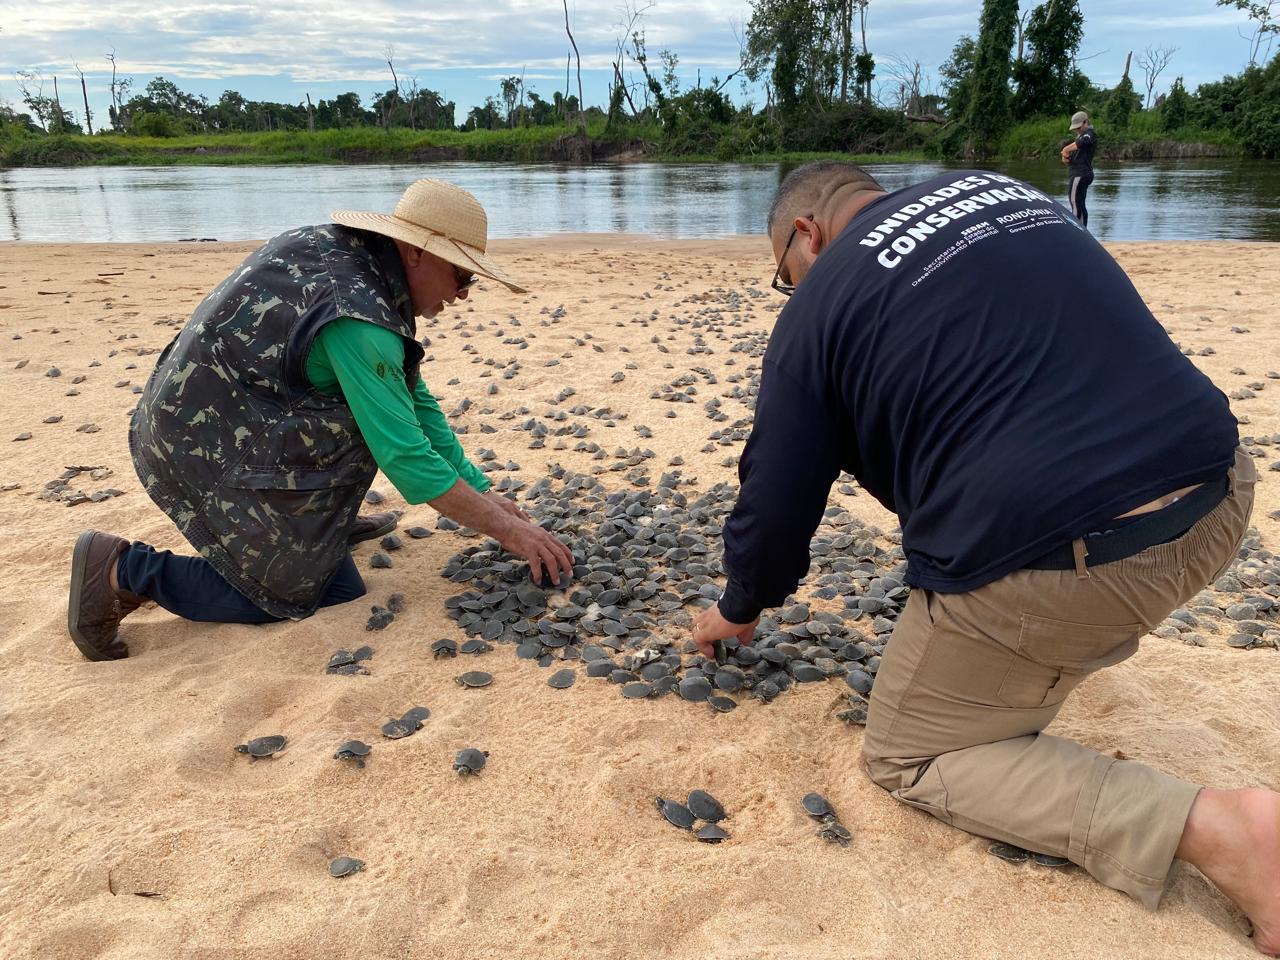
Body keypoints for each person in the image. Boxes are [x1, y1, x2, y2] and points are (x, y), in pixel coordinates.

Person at [691, 160, 1279, 954]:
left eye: (785, 279)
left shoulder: (818, 306)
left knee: (909, 752)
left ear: (808, 232)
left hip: (1085, 558)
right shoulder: (1006, 193)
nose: (792, 294)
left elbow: (776, 495)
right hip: (1220, 495)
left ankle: (1221, 829)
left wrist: (739, 604)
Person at [68, 179, 574, 662]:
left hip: (193, 413)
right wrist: (512, 533)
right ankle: (122, 569)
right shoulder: (358, 319)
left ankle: (314, 525)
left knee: (371, 407)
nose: (464, 293)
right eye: (461, 275)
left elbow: (413, 399)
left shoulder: (349, 258)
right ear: (416, 252)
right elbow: (406, 455)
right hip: (201, 446)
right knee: (315, 590)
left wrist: (482, 490)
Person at [1061, 109, 1098, 228]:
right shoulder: (1080, 138)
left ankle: (1077, 232)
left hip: (1080, 174)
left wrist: (1066, 149)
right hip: (1080, 172)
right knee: (1080, 204)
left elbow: (1083, 142)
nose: (1077, 130)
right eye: (1075, 128)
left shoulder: (1089, 133)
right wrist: (1066, 159)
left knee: (1075, 204)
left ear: (1085, 122)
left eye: (1078, 127)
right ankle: (1084, 231)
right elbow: (1072, 159)